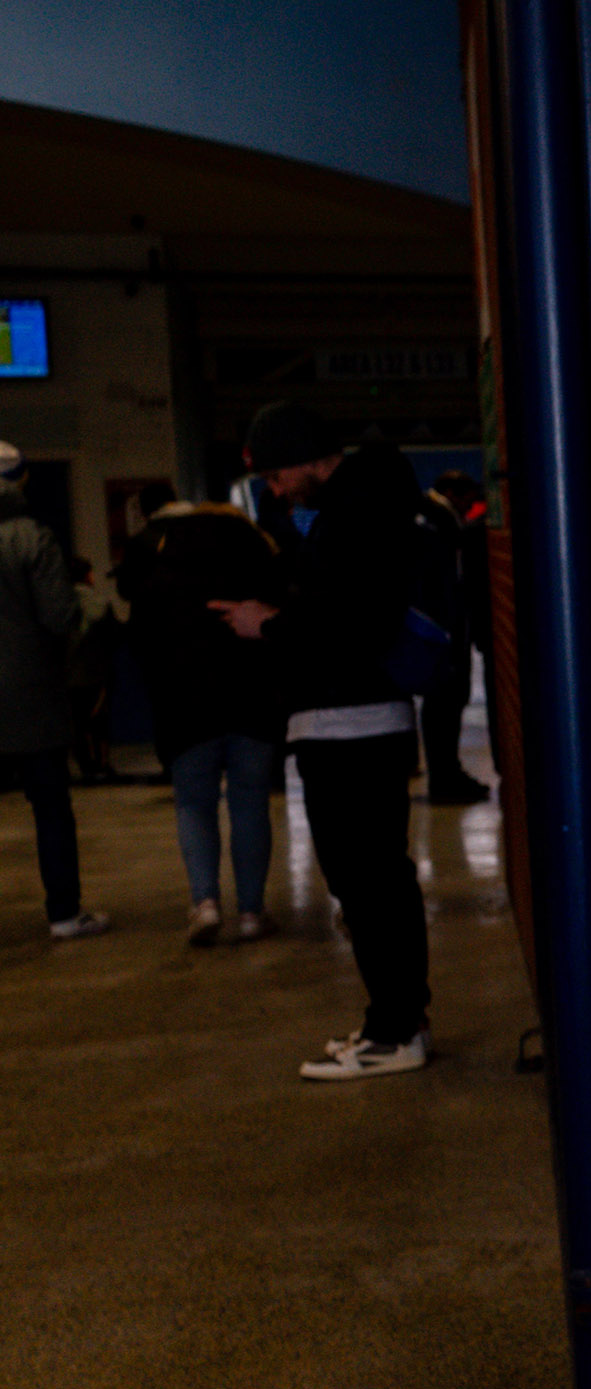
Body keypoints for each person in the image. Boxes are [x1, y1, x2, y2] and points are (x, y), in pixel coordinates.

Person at [213, 405, 437, 1078]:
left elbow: (356, 619)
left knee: (369, 882)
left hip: (352, 725)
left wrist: (271, 626)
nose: (276, 491)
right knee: (370, 880)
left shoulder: (357, 512)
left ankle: (396, 1031)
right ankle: (396, 1021)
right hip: (352, 722)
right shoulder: (358, 506)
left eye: (279, 475)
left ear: (311, 458)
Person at [118, 482, 287, 945]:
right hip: (252, 701)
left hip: (184, 705)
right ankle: (252, 912)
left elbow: (138, 641)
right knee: (250, 802)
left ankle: (206, 903)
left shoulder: (159, 571)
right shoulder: (256, 560)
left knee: (194, 804)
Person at [0, 439, 105, 938]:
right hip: (31, 698)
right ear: (20, 480)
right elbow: (61, 615)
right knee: (51, 809)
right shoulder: (31, 537)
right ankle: (63, 913)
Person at [417, 471, 489, 805]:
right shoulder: (437, 517)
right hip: (446, 625)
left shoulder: (431, 515)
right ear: (451, 492)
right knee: (445, 702)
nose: (468, 506)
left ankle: (446, 773)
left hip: (441, 624)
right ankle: (446, 775)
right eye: (466, 498)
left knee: (444, 703)